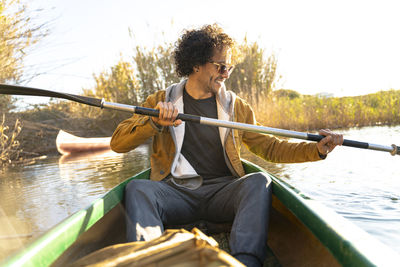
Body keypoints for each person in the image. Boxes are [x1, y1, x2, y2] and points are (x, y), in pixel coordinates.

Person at [110, 24, 343, 267]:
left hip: (223, 194)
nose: (226, 73)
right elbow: (118, 143)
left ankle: (245, 261)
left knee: (258, 181)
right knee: (138, 188)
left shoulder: (237, 107)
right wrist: (154, 122)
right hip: (177, 194)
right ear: (196, 64)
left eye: (228, 67)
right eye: (220, 66)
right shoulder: (160, 101)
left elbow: (270, 147)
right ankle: (148, 261)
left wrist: (316, 149)